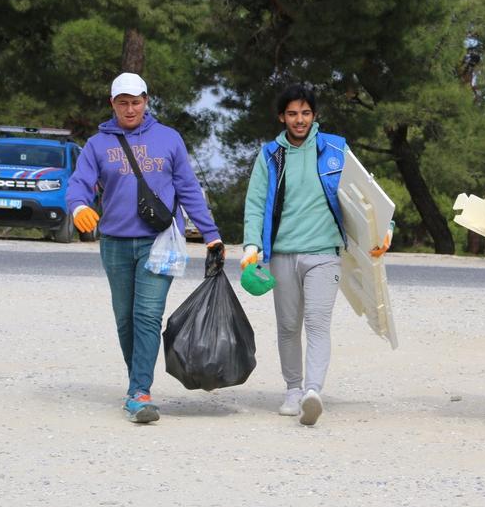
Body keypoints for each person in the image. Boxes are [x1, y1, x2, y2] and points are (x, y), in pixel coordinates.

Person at [66, 72, 224, 424]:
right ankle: (135, 383)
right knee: (125, 320)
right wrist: (78, 207)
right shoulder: (97, 145)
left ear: (147, 101)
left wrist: (210, 234)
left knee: (147, 316)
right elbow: (79, 184)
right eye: (123, 102)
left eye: (136, 101)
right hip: (115, 244)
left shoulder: (169, 139)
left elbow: (188, 189)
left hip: (161, 241)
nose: (130, 108)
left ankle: (140, 392)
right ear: (113, 104)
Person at [240, 84, 358, 427]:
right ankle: (293, 390)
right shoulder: (269, 155)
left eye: (306, 113)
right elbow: (255, 202)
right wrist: (251, 245)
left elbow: (364, 193)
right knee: (288, 326)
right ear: (282, 117)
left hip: (324, 253)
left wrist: (386, 226)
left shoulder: (335, 148)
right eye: (292, 113)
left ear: (314, 116)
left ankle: (313, 392)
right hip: (282, 254)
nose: (299, 119)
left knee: (317, 323)